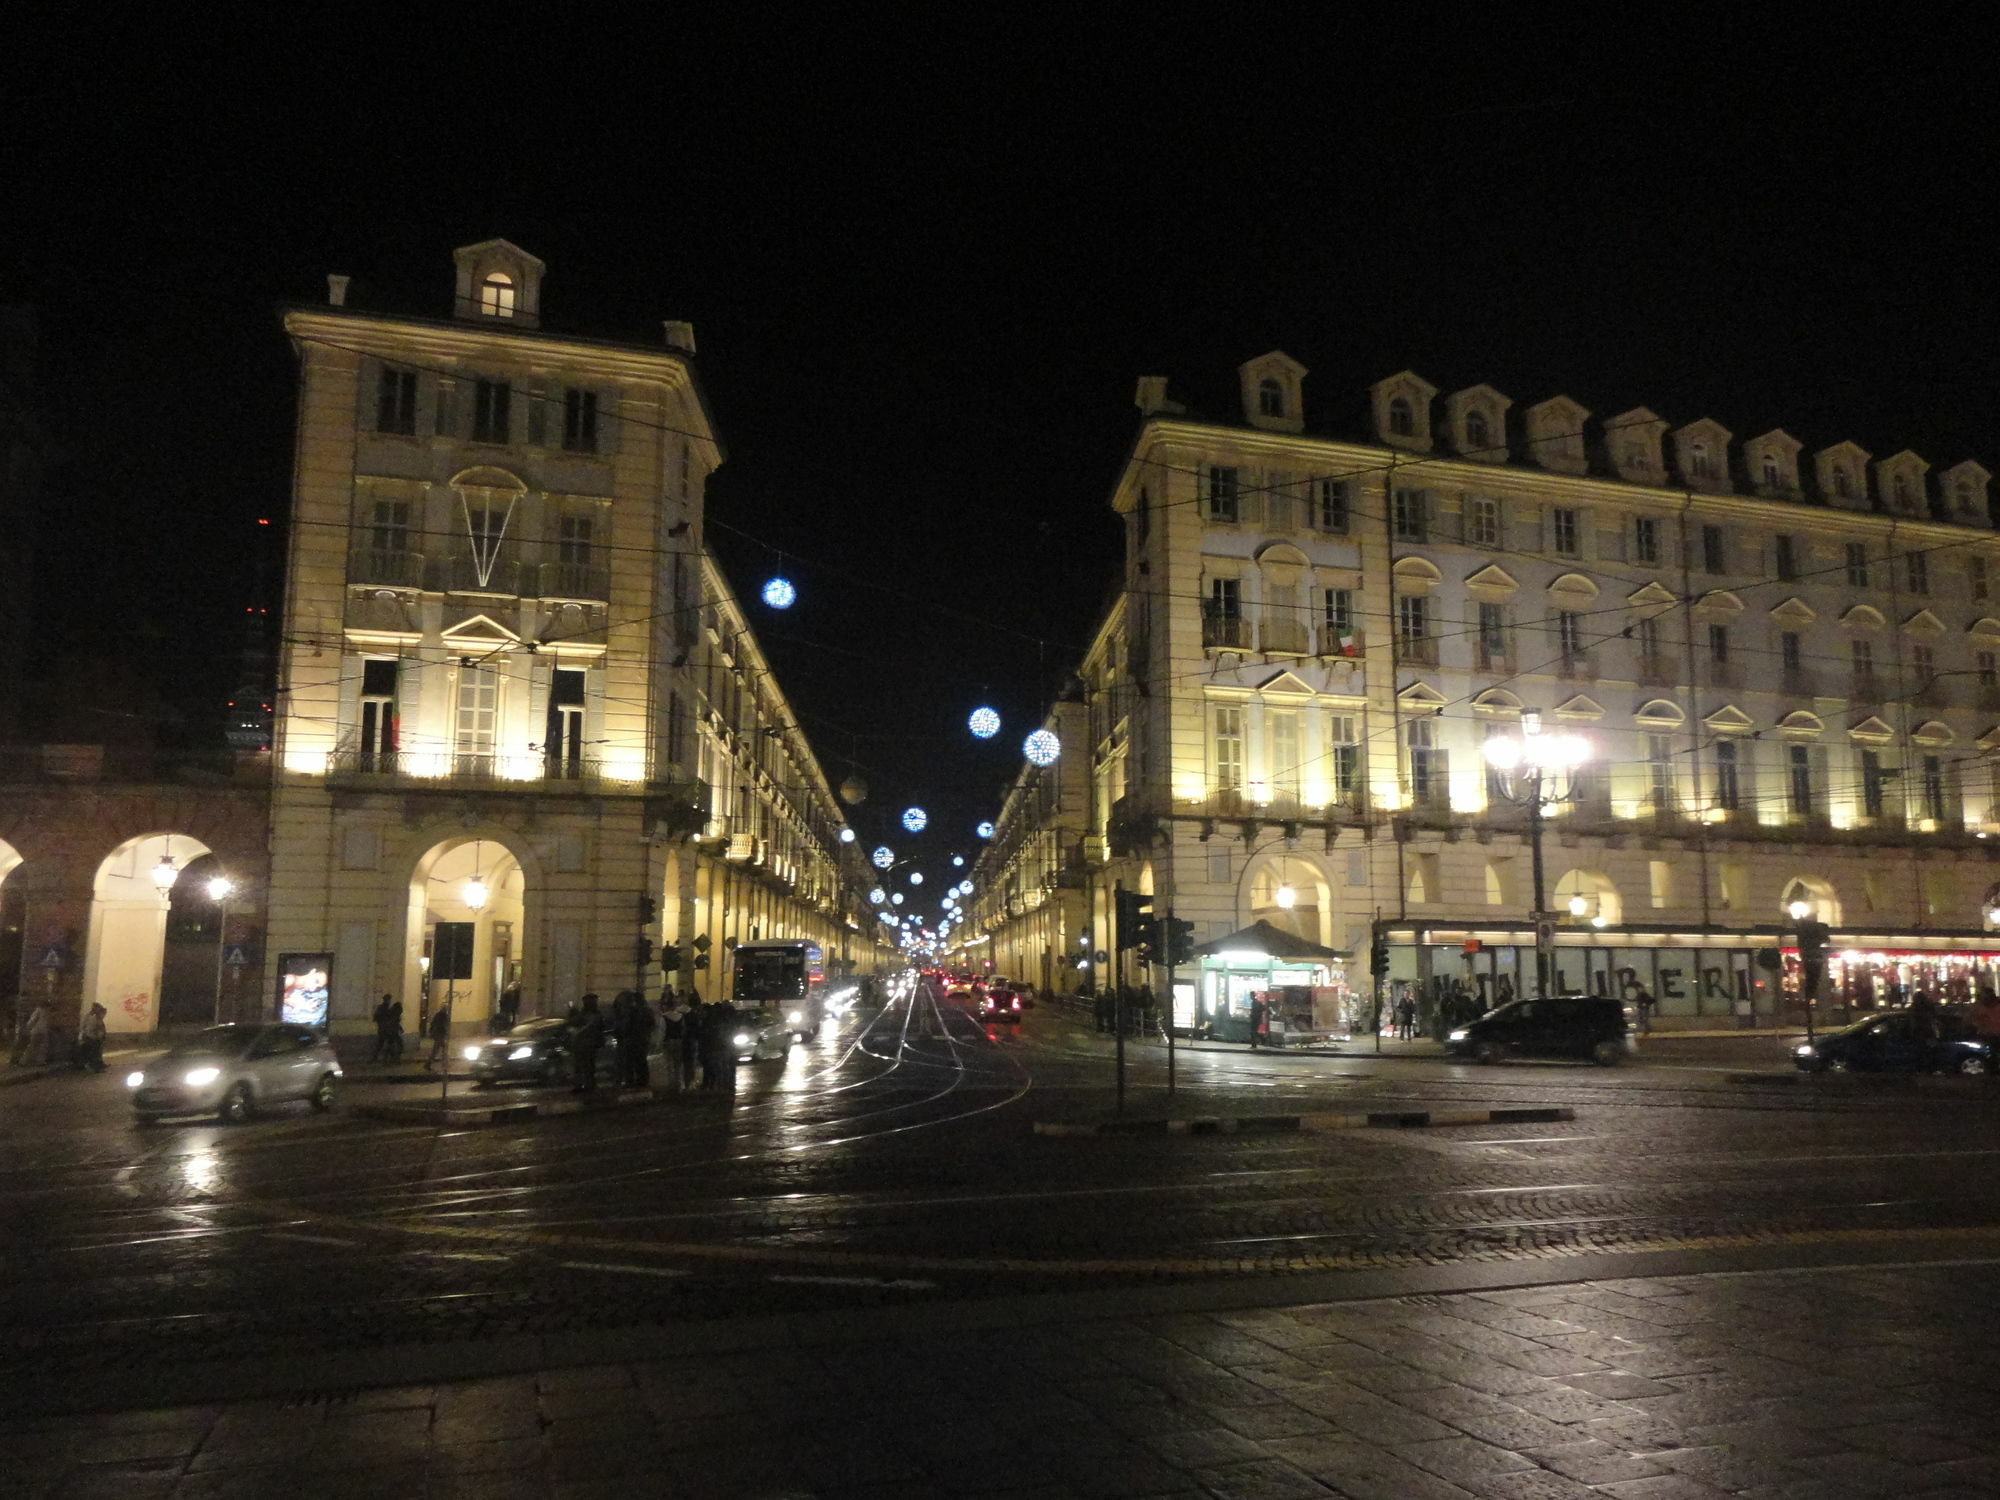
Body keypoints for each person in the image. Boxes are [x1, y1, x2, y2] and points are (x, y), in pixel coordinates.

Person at [617, 989, 655, 1088]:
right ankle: (641, 1081)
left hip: (634, 1039)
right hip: (642, 1039)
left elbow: (627, 1025)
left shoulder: (634, 1011)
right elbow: (652, 1025)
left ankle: (632, 1082)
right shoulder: (647, 1011)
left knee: (631, 1061)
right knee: (640, 1061)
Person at [701, 996, 739, 1091]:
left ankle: (720, 1084)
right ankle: (727, 1084)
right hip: (725, 1046)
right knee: (726, 1066)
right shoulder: (728, 1019)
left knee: (718, 1066)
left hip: (718, 1047)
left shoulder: (715, 1020)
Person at [570, 993, 605, 1092]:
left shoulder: (587, 1014)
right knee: (587, 1066)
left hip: (584, 1043)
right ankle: (587, 1085)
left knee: (583, 1066)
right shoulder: (594, 1014)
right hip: (588, 1044)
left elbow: (574, 1023)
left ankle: (583, 1085)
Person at [658, 989, 690, 1090]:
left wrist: (659, 1042)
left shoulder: (664, 1018)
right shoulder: (680, 1016)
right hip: (679, 1041)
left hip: (668, 1041)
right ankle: (678, 1082)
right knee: (678, 1063)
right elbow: (683, 1029)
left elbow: (662, 1031)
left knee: (669, 1063)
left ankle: (671, 1082)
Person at [1968, 987, 2000, 1082]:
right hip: (1988, 1035)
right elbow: (1970, 1019)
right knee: (1991, 1055)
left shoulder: (1983, 1007)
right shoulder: (1978, 1007)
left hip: (1992, 1034)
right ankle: (1993, 1073)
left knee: (1992, 1054)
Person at [12, 999, 50, 1067]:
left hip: (37, 1031)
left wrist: (28, 1027)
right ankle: (39, 1061)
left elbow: (32, 1021)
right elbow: (34, 1021)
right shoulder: (44, 1012)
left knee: (33, 1046)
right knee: (41, 1047)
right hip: (42, 1031)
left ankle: (24, 1061)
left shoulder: (39, 1011)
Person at [73, 1002, 107, 1073]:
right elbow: (89, 1029)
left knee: (94, 1053)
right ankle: (94, 1067)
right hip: (91, 1038)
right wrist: (93, 1037)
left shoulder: (94, 1016)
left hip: (94, 1037)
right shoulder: (92, 1017)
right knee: (92, 1053)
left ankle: (96, 1066)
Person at [422, 1001, 452, 1072]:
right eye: (446, 1008)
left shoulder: (439, 1014)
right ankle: (428, 1064)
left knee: (443, 1049)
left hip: (438, 1034)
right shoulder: (443, 1015)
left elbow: (434, 1024)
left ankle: (445, 1063)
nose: (446, 1009)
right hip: (440, 1035)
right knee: (436, 1050)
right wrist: (446, 1032)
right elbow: (442, 1025)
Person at [370, 995, 398, 1062]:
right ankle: (391, 1058)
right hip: (387, 1029)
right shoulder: (388, 1009)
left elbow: (375, 1018)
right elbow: (391, 1018)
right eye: (389, 999)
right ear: (388, 1000)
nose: (389, 1001)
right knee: (389, 1044)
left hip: (382, 1028)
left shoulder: (380, 1008)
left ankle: (375, 1057)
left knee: (381, 1044)